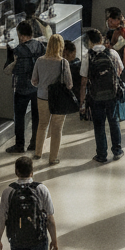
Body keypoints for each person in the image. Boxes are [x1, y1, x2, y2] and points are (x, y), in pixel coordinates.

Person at [30, 34, 75, 164]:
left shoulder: (39, 60)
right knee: (56, 128)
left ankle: (38, 153)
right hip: (59, 99)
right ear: (61, 46)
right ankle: (53, 158)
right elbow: (69, 84)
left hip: (42, 97)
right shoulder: (63, 62)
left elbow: (34, 81)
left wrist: (43, 85)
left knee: (42, 125)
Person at [82, 28, 123, 163]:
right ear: (101, 39)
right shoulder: (112, 53)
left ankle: (101, 155)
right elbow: (120, 70)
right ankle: (117, 151)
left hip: (95, 96)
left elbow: (84, 80)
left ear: (89, 41)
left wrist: (82, 102)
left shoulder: (87, 56)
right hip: (112, 94)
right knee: (114, 122)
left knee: (99, 125)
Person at [4, 20, 45, 154]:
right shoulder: (40, 46)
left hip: (22, 88)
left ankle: (19, 145)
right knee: (36, 117)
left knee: (20, 117)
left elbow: (9, 71)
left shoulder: (17, 50)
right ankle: (34, 143)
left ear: (21, 35)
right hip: (37, 87)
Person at [105, 6, 125, 70]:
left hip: (119, 54)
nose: (108, 23)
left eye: (111, 21)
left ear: (117, 20)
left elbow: (120, 45)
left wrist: (109, 48)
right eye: (108, 21)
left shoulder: (122, 30)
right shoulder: (114, 28)